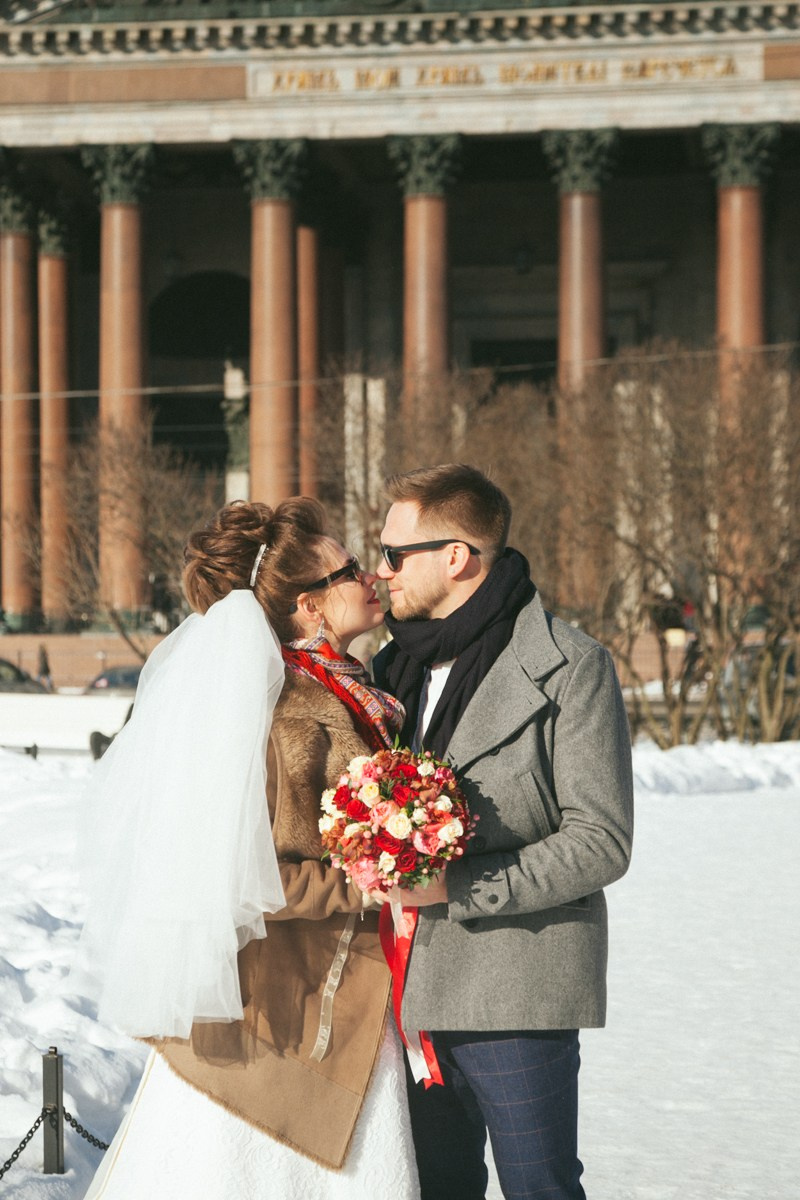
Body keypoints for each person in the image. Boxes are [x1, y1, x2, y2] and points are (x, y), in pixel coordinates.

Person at [79, 498, 419, 1200]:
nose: (370, 577)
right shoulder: (288, 713)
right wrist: (379, 879)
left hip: (338, 1001)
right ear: (310, 606)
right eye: (349, 568)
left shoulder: (351, 693)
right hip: (283, 1024)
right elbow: (244, 877)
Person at [371, 464, 634, 1200]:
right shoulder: (390, 667)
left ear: (455, 556)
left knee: (539, 1187)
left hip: (517, 988)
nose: (380, 570)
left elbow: (602, 839)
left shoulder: (571, 666)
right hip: (403, 995)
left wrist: (457, 883)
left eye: (395, 554)